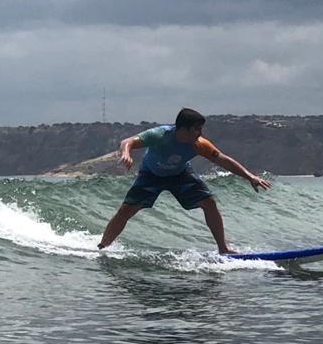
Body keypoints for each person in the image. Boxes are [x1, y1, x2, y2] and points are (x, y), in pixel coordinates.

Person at [98, 108, 272, 254]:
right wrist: (126, 153)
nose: (200, 133)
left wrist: (250, 177)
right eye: (197, 129)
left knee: (209, 202)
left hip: (180, 174)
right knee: (126, 210)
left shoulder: (199, 144)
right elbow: (127, 141)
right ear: (184, 129)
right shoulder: (161, 135)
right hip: (151, 174)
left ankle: (223, 248)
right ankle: (103, 246)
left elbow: (223, 160)